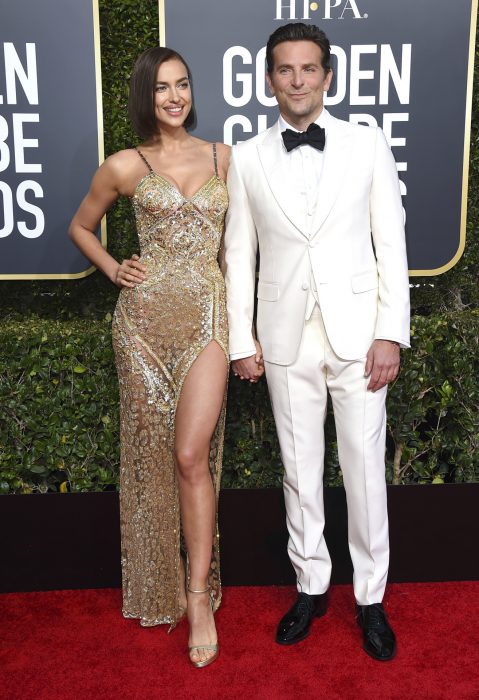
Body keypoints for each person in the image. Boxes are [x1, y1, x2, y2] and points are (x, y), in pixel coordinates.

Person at [225, 22, 410, 661]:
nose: (297, 80)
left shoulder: (367, 144)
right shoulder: (247, 157)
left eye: (309, 69)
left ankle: (370, 598)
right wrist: (239, 340)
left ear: (327, 77)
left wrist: (391, 333)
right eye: (285, 69)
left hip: (359, 337)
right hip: (284, 337)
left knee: (363, 470)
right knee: (299, 471)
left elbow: (391, 242)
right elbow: (239, 253)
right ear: (269, 78)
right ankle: (310, 584)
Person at [69, 47, 230, 668]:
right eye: (162, 87)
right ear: (146, 95)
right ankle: (164, 583)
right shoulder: (124, 165)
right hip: (141, 326)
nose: (174, 96)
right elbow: (81, 226)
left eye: (183, 84)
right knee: (151, 453)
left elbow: (240, 249)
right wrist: (114, 268)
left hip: (209, 319)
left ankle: (197, 595)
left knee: (191, 454)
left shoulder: (225, 158)